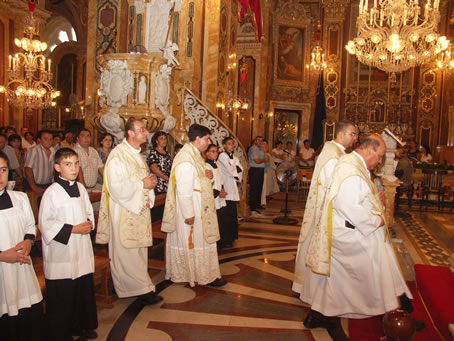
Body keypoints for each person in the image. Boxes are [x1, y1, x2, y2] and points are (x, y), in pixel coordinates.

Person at [302, 135, 415, 340]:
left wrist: (374, 194)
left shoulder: (353, 163)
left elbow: (359, 195)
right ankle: (393, 312)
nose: (380, 161)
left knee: (335, 282)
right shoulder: (350, 172)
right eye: (380, 156)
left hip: (349, 230)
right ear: (369, 150)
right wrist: (380, 220)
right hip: (351, 235)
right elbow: (351, 208)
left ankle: (319, 315)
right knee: (372, 272)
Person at [292, 121, 357, 334]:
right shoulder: (333, 156)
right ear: (341, 133)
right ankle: (316, 300)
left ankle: (312, 296)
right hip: (326, 213)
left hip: (323, 211)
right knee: (319, 255)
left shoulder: (331, 151)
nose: (355, 138)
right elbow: (333, 188)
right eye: (352, 133)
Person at [96, 118, 162, 305]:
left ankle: (142, 287)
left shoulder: (136, 155)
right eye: (142, 129)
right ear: (131, 133)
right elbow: (116, 187)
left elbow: (141, 180)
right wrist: (142, 184)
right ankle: (140, 290)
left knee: (138, 252)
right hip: (125, 212)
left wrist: (149, 184)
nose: (146, 132)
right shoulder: (118, 156)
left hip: (138, 211)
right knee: (127, 253)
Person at [38, 148, 98, 341]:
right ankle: (61, 332)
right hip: (62, 251)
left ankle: (83, 326)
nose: (73, 168)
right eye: (67, 164)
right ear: (57, 168)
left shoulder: (81, 188)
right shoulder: (51, 193)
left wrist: (89, 223)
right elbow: (45, 223)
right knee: (63, 294)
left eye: (76, 163)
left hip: (81, 248)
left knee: (82, 289)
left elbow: (89, 211)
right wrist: (73, 229)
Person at [162, 123, 227, 287]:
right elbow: (184, 190)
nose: (208, 141)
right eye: (207, 138)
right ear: (197, 139)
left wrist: (208, 176)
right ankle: (198, 275)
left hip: (200, 206)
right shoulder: (185, 159)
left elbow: (197, 180)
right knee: (196, 241)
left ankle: (205, 274)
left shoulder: (195, 155)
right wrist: (188, 214)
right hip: (192, 209)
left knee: (202, 241)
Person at [0, 151, 45, 341]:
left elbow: (29, 225)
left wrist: (28, 241)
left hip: (21, 266)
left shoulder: (19, 198)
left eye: (2, 170)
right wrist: (2, 256)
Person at [218, 137, 243, 247]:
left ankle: (232, 237)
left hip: (232, 186)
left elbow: (240, 169)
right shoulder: (222, 156)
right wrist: (234, 167)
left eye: (233, 144)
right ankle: (226, 239)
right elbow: (231, 170)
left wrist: (234, 168)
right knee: (226, 214)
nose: (232, 146)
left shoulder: (235, 157)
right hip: (226, 186)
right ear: (224, 145)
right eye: (229, 144)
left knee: (232, 214)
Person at [205, 143, 229, 250]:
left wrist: (222, 189)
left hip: (220, 195)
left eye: (216, 151)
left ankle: (222, 242)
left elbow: (220, 179)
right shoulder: (206, 166)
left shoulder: (216, 164)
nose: (216, 153)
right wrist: (218, 192)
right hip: (213, 197)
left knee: (222, 219)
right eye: (213, 151)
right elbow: (208, 183)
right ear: (207, 153)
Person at [23, 130, 55, 207]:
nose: (48, 141)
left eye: (51, 139)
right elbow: (27, 169)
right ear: (39, 140)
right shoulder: (33, 150)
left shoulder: (54, 151)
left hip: (47, 184)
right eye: (46, 139)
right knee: (34, 209)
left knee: (46, 209)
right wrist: (34, 187)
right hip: (33, 184)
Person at [248, 136, 267, 216]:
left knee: (259, 187)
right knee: (254, 188)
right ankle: (252, 208)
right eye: (258, 140)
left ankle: (257, 205)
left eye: (261, 141)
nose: (260, 142)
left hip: (260, 170)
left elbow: (267, 160)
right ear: (255, 141)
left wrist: (265, 151)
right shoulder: (253, 149)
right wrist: (263, 160)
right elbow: (257, 161)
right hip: (254, 170)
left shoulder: (261, 149)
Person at [261, 139, 279, 206]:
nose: (264, 146)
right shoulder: (261, 153)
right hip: (262, 172)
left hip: (267, 172)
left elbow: (269, 163)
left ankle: (264, 200)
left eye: (265, 145)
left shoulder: (267, 154)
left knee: (266, 187)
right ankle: (262, 201)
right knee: (263, 188)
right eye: (263, 145)